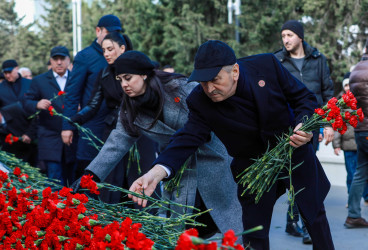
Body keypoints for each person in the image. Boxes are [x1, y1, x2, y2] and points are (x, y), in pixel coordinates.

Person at [129, 40, 334, 250]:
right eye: (203, 82)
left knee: (314, 214)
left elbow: (304, 98)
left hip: (293, 152)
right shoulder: (199, 101)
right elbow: (187, 137)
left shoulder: (266, 66)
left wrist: (305, 125)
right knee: (254, 231)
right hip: (253, 168)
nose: (209, 88)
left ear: (234, 71)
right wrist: (156, 172)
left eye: (215, 80)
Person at [73, 50, 243, 238]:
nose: (124, 85)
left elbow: (209, 120)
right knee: (187, 232)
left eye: (128, 78)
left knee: (231, 226)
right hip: (174, 168)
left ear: (144, 74)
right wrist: (90, 177)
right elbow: (116, 142)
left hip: (211, 160)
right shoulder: (130, 108)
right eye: (120, 79)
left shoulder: (179, 88)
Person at [69, 32, 157, 204]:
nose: (106, 54)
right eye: (104, 50)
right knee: (111, 181)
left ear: (122, 48)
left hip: (141, 130)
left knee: (141, 177)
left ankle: (145, 223)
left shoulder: (140, 68)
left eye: (110, 49)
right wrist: (73, 120)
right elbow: (93, 105)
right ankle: (113, 224)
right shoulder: (104, 74)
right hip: (115, 130)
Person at [274, 20, 334, 243]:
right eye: (283, 36)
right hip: (287, 126)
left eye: (289, 35)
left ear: (300, 36)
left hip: (313, 123)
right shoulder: (277, 61)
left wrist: (327, 124)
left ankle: (303, 221)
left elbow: (328, 92)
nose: (286, 39)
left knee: (306, 171)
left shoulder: (318, 59)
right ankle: (294, 219)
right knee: (292, 172)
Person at [61, 14, 123, 176]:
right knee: (90, 177)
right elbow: (72, 94)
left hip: (120, 126)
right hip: (93, 126)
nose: (112, 36)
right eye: (108, 32)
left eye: (116, 33)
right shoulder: (85, 57)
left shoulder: (123, 54)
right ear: (98, 31)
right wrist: (67, 126)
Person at [23, 46, 76, 186]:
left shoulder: (76, 78)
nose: (59, 62)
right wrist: (37, 104)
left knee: (73, 181)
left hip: (73, 138)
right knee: (54, 182)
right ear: (51, 61)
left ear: (68, 60)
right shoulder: (39, 81)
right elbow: (26, 102)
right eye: (55, 59)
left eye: (62, 59)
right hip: (50, 138)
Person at [345, 35, 368, 228]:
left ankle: (353, 215)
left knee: (360, 172)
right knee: (361, 172)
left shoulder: (356, 70)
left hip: (361, 129)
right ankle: (354, 216)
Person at [333, 72, 368, 206]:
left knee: (364, 171)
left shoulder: (361, 99)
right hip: (348, 144)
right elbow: (337, 125)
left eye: (350, 84)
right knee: (351, 173)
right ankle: (351, 199)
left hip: (361, 142)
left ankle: (367, 197)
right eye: (346, 85)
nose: (348, 87)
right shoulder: (340, 102)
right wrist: (336, 144)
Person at [0, 59, 37, 165]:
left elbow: (37, 110)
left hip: (31, 137)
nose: (7, 75)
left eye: (9, 72)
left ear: (17, 69)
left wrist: (30, 133)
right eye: (5, 73)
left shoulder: (30, 84)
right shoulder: (1, 88)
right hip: (10, 138)